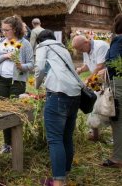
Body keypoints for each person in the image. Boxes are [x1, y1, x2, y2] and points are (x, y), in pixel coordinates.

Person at [35, 29, 81, 186]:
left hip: (58, 94)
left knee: (55, 139)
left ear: (39, 40)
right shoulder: (62, 48)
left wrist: (37, 84)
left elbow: (40, 68)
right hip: (75, 94)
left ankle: (58, 182)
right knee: (67, 137)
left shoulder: (42, 46)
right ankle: (65, 173)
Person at [0, 15, 34, 154]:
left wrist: (21, 66)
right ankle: (7, 144)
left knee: (14, 111)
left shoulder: (24, 43)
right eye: (2, 29)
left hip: (17, 81)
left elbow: (31, 64)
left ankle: (16, 143)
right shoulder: (0, 42)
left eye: (6, 30)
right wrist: (4, 56)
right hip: (2, 80)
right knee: (4, 112)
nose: (4, 32)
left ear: (15, 29)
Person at [72, 35, 109, 141]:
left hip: (106, 81)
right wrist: (79, 70)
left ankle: (98, 133)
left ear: (86, 42)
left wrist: (88, 79)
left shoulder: (101, 46)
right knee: (95, 106)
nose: (80, 51)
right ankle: (95, 134)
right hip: (97, 83)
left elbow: (100, 66)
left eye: (81, 49)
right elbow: (88, 65)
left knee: (105, 107)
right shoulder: (85, 49)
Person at [101, 13, 122, 168]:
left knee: (118, 121)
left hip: (119, 84)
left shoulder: (119, 40)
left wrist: (105, 69)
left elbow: (113, 62)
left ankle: (117, 158)